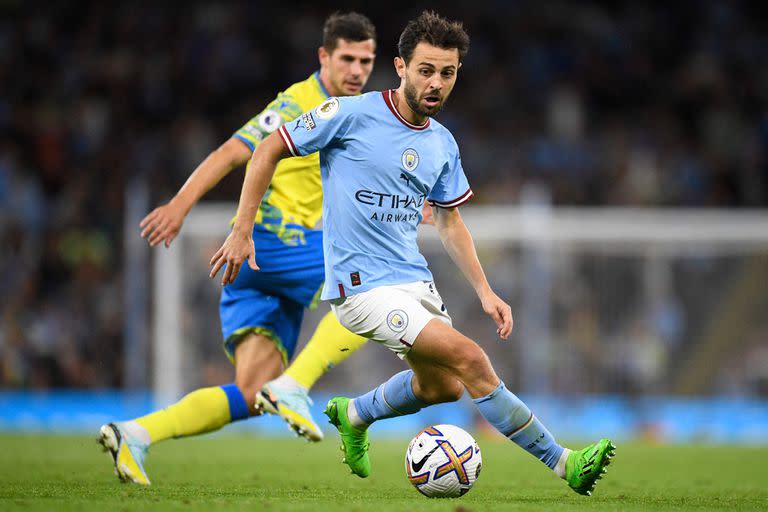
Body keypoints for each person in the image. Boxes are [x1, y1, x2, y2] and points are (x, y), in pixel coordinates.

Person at [210, 11, 615, 496]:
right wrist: (242, 229)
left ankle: (354, 413)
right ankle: (564, 462)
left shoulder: (442, 144)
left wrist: (485, 291)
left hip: (412, 281)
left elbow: (449, 221)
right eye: (426, 70)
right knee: (471, 357)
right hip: (361, 289)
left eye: (447, 73)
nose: (436, 83)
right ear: (400, 67)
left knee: (442, 387)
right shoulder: (350, 113)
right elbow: (268, 148)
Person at [98, 12, 377, 486]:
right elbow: (232, 151)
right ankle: (295, 388)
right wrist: (180, 206)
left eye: (365, 60)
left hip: (259, 272)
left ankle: (136, 434)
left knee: (249, 394)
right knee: (374, 289)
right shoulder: (297, 103)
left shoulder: (360, 109)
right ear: (324, 57)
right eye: (347, 58)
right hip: (270, 243)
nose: (356, 70)